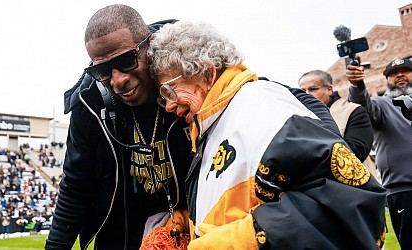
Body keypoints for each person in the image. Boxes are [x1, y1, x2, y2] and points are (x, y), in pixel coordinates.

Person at [148, 20, 387, 249]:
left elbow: (349, 205)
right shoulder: (213, 123)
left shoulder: (265, 106)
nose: (168, 106)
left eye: (170, 90)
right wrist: (188, 223)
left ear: (207, 73)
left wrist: (234, 243)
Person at [45, 4, 192, 250]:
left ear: (150, 45)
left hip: (191, 231)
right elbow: (75, 185)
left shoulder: (189, 76)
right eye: (102, 70)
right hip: (120, 237)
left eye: (127, 60)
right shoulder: (89, 104)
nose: (118, 80)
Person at [346, 58, 412, 249]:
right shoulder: (381, 104)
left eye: (405, 71)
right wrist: (357, 85)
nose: (399, 75)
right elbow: (362, 105)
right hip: (405, 190)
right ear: (387, 81)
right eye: (393, 73)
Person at [298, 70, 378, 180]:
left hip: (356, 186)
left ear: (329, 89)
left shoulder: (353, 110)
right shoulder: (299, 118)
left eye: (313, 89)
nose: (307, 94)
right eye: (302, 91)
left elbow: (357, 151)